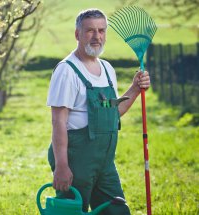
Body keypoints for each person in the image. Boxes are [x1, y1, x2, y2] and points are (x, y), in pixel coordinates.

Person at [46, 8, 150, 214]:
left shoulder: (108, 69)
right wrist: (62, 166)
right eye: (90, 31)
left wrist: (136, 89)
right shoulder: (67, 71)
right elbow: (58, 122)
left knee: (117, 210)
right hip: (76, 159)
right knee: (73, 211)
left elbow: (112, 113)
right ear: (77, 34)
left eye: (102, 31)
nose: (97, 37)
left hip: (104, 161)